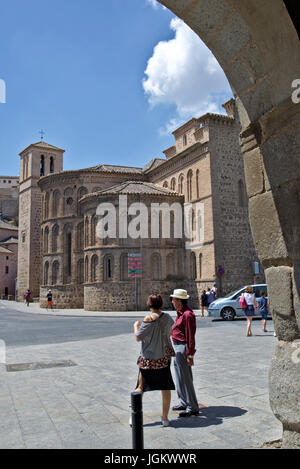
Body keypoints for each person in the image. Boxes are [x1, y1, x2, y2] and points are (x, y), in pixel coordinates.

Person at [133, 294, 175, 427]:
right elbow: (170, 333)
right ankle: (165, 418)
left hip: (149, 359)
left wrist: (136, 326)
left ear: (149, 304)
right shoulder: (167, 317)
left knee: (140, 387)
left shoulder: (148, 318)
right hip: (163, 358)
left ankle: (134, 416)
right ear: (161, 304)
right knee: (165, 387)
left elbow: (138, 337)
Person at [171, 289, 199, 417]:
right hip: (177, 348)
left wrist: (190, 354)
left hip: (183, 348)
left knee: (186, 378)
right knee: (179, 377)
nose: (172, 301)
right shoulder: (180, 313)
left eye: (174, 299)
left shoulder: (188, 315)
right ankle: (183, 401)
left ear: (179, 301)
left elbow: (190, 336)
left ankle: (192, 406)